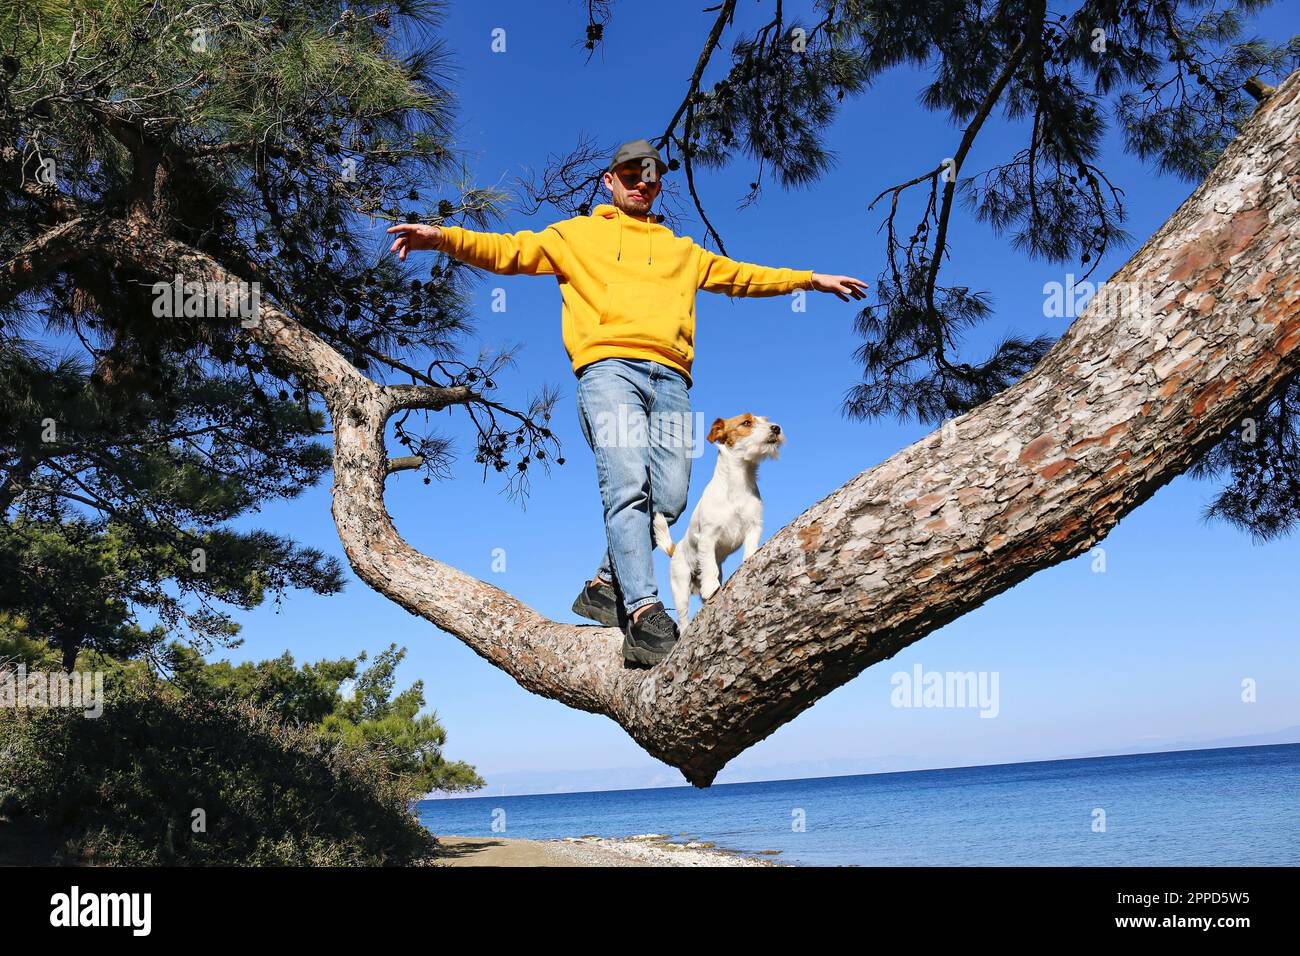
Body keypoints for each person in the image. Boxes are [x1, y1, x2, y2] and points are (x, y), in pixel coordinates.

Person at [387, 138, 868, 666]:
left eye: (652, 176)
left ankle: (603, 584)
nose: (643, 182)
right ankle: (641, 613)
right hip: (610, 372)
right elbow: (508, 250)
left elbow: (742, 275)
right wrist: (442, 237)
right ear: (609, 181)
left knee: (672, 495)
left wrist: (810, 280)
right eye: (631, 174)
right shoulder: (576, 235)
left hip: (673, 382)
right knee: (627, 486)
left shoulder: (681, 250)